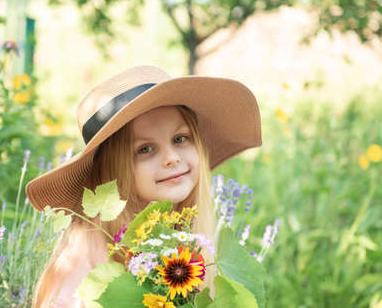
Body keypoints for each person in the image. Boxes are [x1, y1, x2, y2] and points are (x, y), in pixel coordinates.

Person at [25, 65, 262, 308]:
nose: (172, 157)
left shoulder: (185, 237)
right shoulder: (88, 250)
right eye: (145, 149)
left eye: (180, 139)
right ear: (114, 171)